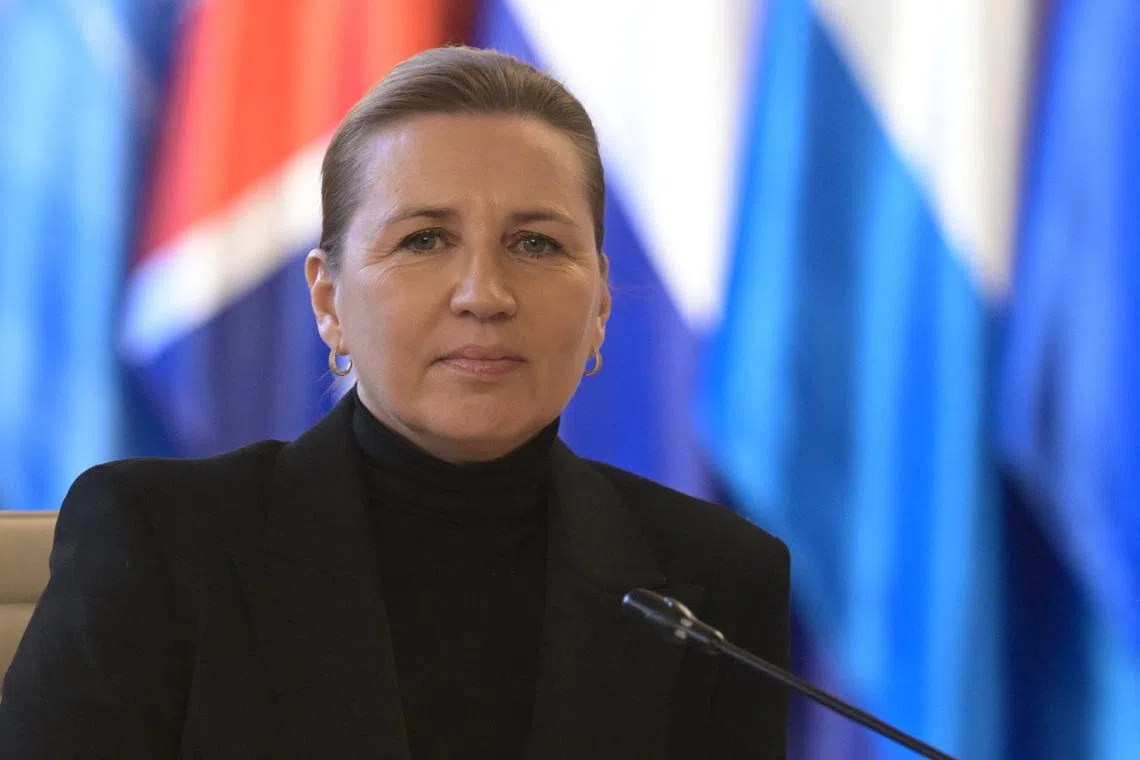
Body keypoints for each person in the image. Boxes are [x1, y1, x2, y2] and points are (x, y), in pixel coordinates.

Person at [0, 46, 790, 759]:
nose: (484, 294)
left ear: (601, 310)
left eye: (537, 243)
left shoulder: (713, 581)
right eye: (423, 240)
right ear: (328, 300)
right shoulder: (162, 543)